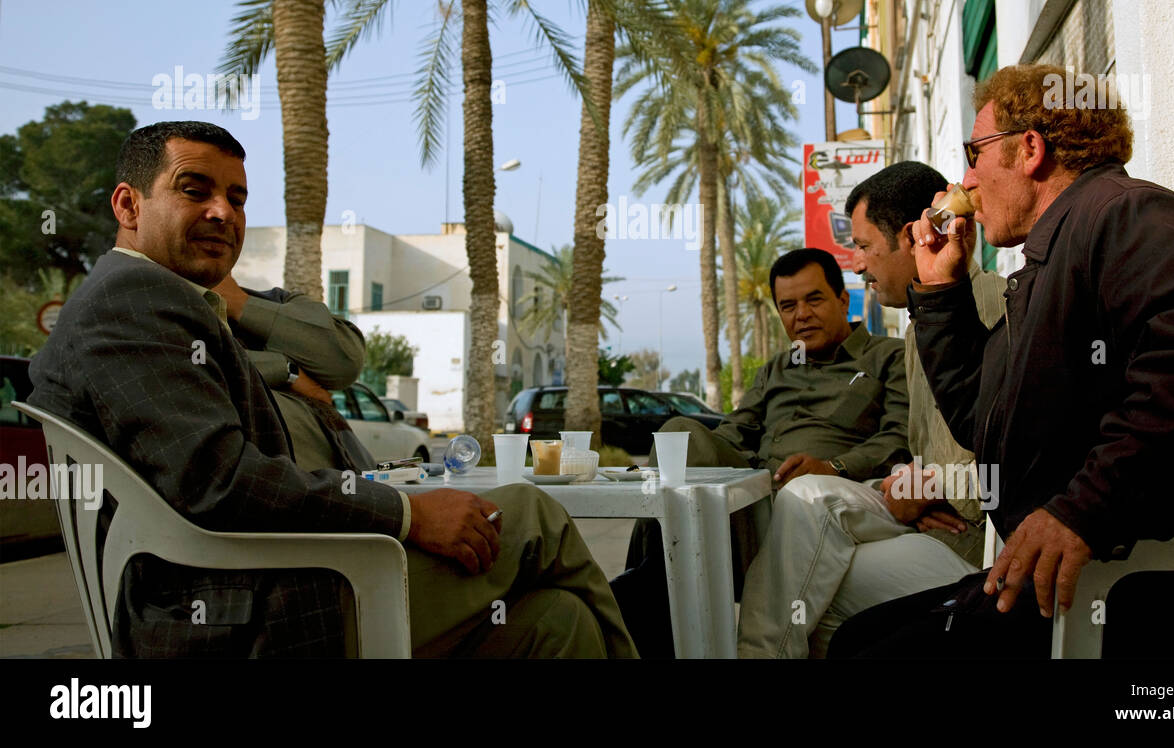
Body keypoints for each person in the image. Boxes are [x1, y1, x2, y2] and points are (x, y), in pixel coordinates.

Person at [28, 121, 637, 658]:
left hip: (269, 583)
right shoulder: (132, 298)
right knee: (531, 513)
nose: (223, 212)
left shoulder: (170, 303)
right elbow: (220, 482)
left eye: (237, 198)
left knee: (559, 621)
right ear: (128, 206)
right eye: (195, 190)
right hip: (237, 619)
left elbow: (340, 357)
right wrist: (409, 515)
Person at [829, 64, 1174, 658]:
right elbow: (983, 418)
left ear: (1029, 149)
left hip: (1147, 583)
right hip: (1076, 571)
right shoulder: (1049, 258)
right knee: (857, 638)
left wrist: (1082, 510)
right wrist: (941, 294)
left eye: (975, 152)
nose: (966, 178)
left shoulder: (1120, 213)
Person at [737, 162, 1006, 658]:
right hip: (919, 514)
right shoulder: (915, 328)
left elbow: (1012, 450)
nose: (857, 265)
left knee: (809, 563)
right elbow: (921, 449)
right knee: (804, 539)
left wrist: (936, 485)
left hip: (971, 542)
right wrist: (911, 478)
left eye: (863, 246)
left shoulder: (986, 305)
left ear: (910, 236)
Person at [614, 247, 910, 655]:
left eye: (814, 299)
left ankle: (642, 589)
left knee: (651, 574)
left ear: (844, 299)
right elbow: (736, 430)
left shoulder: (888, 357)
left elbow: (897, 438)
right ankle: (650, 582)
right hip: (748, 503)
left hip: (810, 512)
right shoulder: (776, 368)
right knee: (680, 434)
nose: (801, 315)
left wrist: (833, 466)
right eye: (787, 306)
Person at [212, 272, 376, 473]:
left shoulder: (276, 300)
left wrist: (241, 304)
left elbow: (345, 361)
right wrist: (286, 369)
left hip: (345, 484)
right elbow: (201, 364)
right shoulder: (170, 314)